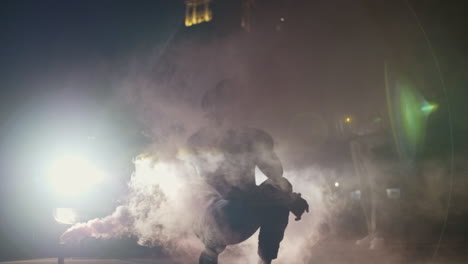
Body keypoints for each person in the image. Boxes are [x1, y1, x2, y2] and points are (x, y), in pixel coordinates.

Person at [187, 80, 309, 264]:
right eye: (222, 106)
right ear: (210, 111)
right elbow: (209, 188)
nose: (228, 111)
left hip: (245, 210)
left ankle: (265, 260)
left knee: (279, 190)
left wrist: (285, 195)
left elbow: (276, 174)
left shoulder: (251, 138)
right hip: (212, 214)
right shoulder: (199, 141)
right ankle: (210, 254)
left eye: (232, 105)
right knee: (223, 208)